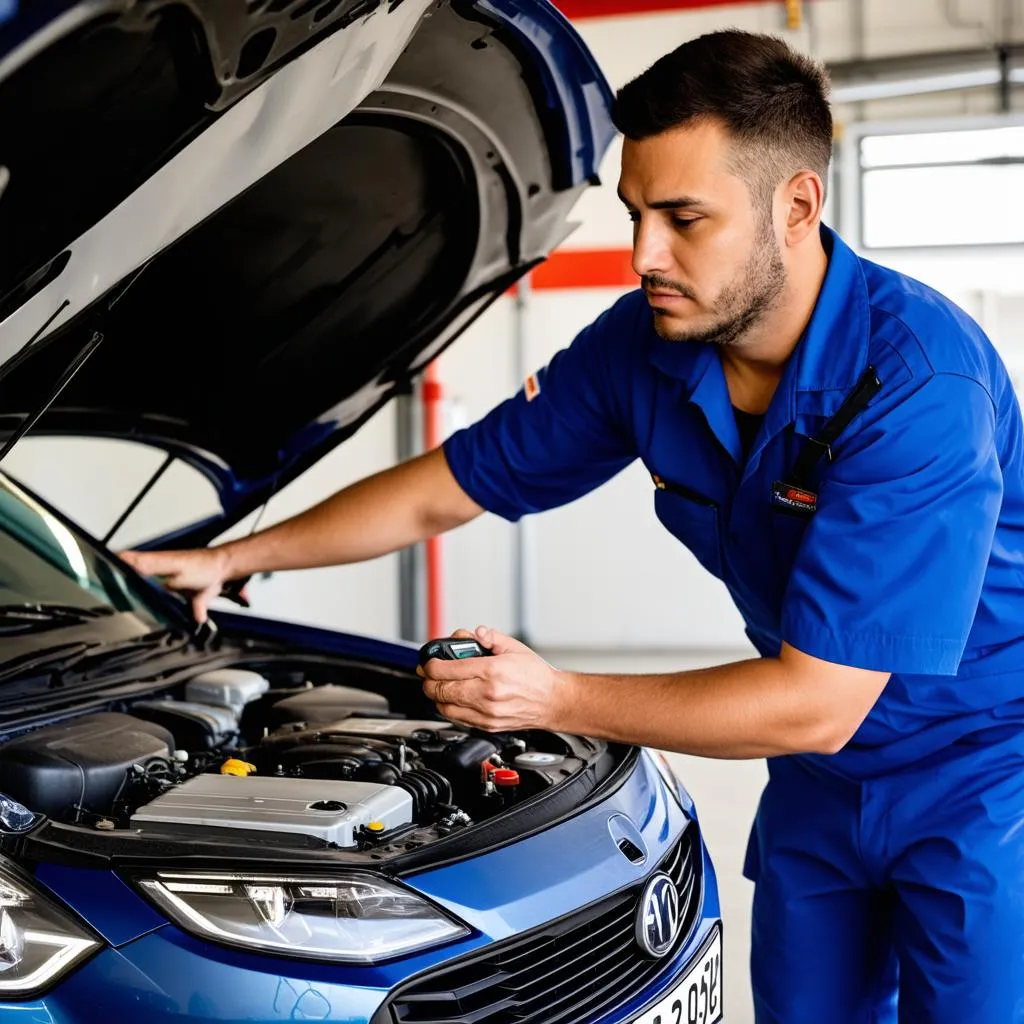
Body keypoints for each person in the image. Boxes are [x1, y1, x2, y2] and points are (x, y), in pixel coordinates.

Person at [120, 30, 1024, 1022]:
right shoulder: (644, 348)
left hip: (980, 774)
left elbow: (818, 699)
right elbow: (449, 486)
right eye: (636, 214)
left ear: (797, 206)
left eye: (683, 218)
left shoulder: (917, 383)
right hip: (818, 781)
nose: (642, 255)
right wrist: (235, 554)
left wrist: (553, 694)